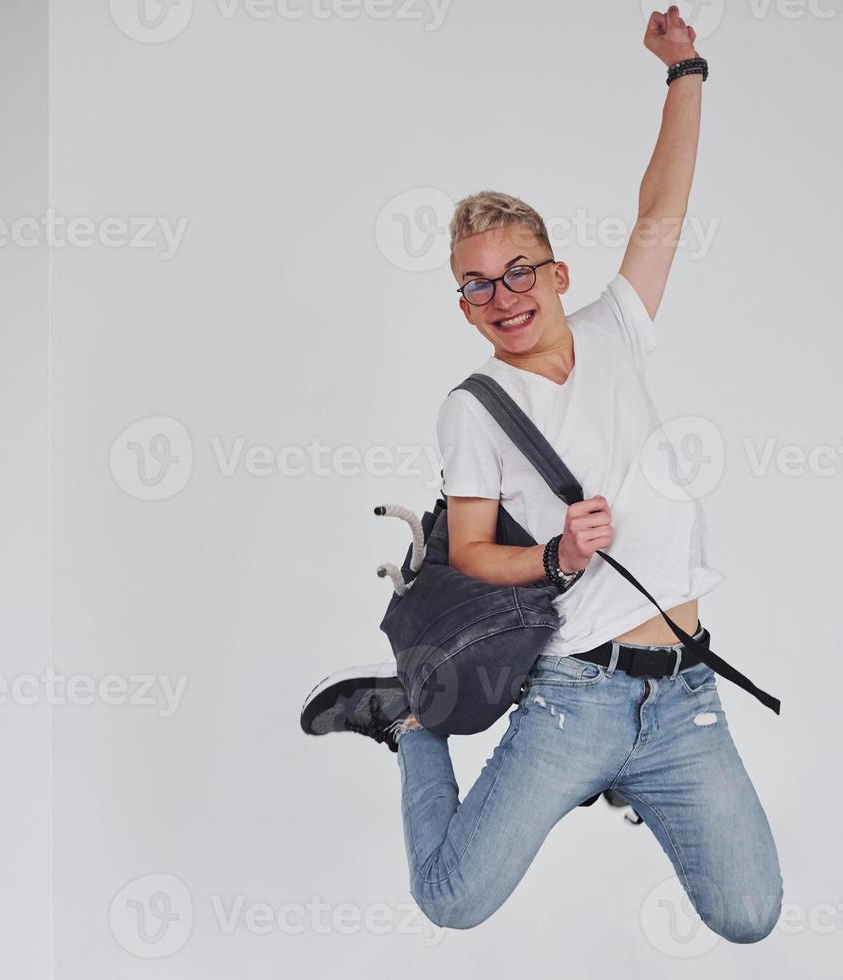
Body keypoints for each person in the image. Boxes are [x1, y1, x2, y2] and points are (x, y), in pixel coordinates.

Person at [300, 6, 782, 943]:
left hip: (686, 693)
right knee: (451, 897)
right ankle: (410, 727)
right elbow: (474, 551)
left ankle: (636, 783)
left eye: (518, 272)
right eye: (476, 285)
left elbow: (663, 211)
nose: (502, 298)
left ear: (559, 273)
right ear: (464, 304)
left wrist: (685, 73)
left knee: (749, 915)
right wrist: (555, 558)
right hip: (577, 699)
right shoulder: (473, 407)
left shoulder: (615, 331)